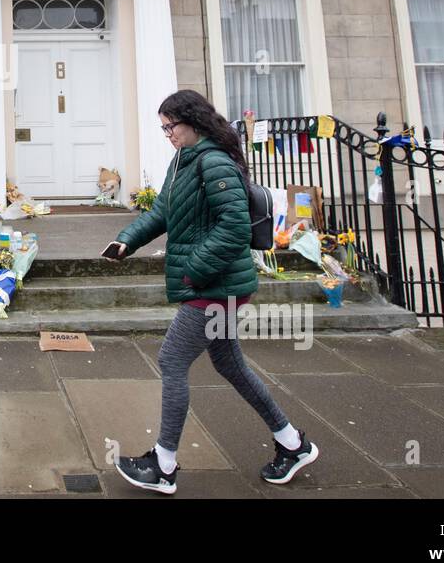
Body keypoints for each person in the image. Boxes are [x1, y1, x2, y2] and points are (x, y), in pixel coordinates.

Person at [105, 89, 318, 494]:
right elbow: (165, 211)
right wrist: (127, 241)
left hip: (216, 285)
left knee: (171, 361)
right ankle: (293, 444)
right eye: (163, 127)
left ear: (194, 121)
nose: (167, 133)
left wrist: (194, 269)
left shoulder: (214, 161)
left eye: (172, 126)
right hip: (212, 284)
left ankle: (164, 465)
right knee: (230, 365)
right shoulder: (184, 160)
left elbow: (235, 226)